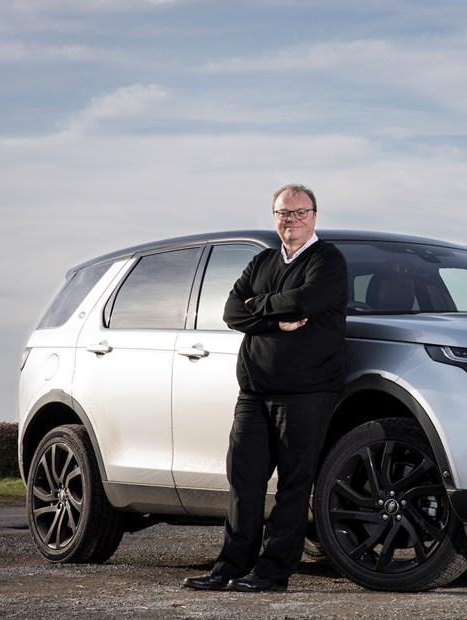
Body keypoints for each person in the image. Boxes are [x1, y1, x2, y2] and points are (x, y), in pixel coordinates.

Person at [182, 183, 348, 593]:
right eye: (282, 213)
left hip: (307, 392)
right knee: (244, 483)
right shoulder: (262, 262)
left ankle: (272, 573)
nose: (289, 220)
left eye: (298, 213)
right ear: (274, 216)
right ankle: (228, 567)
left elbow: (304, 302)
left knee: (294, 485)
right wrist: (273, 317)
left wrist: (259, 306)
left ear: (313, 216)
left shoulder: (328, 261)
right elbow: (231, 311)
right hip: (253, 392)